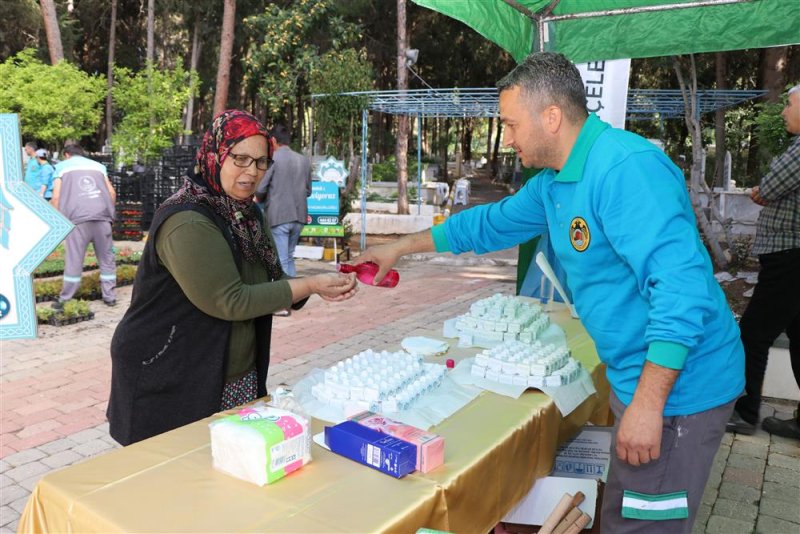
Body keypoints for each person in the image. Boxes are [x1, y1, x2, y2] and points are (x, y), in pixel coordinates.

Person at [358, 52, 744, 533]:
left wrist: (648, 407)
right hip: (637, 380)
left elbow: (682, 292)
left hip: (678, 391)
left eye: (512, 124)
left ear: (552, 117)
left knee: (645, 524)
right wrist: (402, 247)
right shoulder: (555, 184)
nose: (509, 137)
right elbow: (489, 225)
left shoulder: (626, 169)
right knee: (621, 514)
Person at [107, 110, 357, 446]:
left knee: (230, 468)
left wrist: (314, 286)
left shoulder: (247, 213)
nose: (251, 172)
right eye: (240, 159)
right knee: (174, 475)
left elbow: (270, 277)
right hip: (169, 368)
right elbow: (231, 300)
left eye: (261, 162)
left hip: (231, 368)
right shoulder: (188, 220)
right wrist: (309, 284)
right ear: (216, 155)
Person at [727, 83, 800, 440]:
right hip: (793, 256)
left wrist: (763, 191)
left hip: (789, 257)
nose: (784, 111)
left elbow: (768, 188)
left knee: (753, 334)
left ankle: (745, 412)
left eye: (789, 104)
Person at [51, 144, 118, 308]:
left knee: (74, 259)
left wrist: (56, 222)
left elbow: (56, 196)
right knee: (107, 259)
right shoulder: (99, 167)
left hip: (78, 219)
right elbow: (112, 193)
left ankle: (66, 298)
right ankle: (110, 297)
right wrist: (109, 214)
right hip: (102, 218)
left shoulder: (61, 167)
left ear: (66, 155)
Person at [255, 123, 312, 279]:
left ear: (273, 140)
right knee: (289, 257)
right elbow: (308, 190)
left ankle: (288, 297)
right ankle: (295, 296)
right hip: (299, 216)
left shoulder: (273, 159)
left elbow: (260, 189)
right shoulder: (303, 160)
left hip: (279, 216)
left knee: (281, 259)